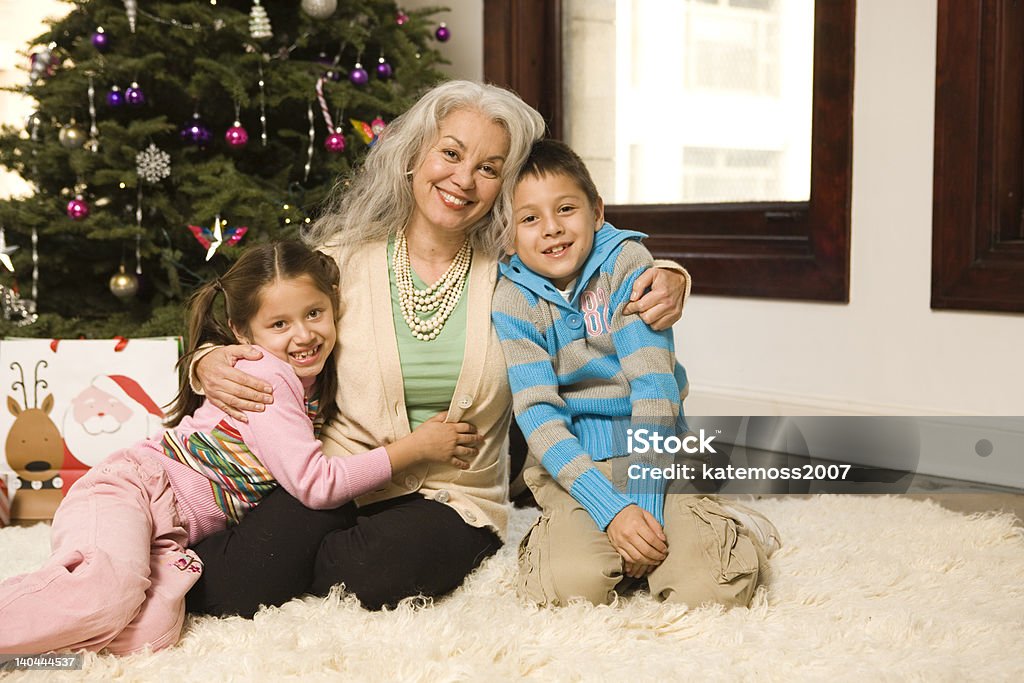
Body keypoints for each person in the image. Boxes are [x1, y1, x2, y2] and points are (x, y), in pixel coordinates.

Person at [185, 80, 691, 615]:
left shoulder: (519, 272)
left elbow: (591, 246)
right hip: (343, 475)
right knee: (231, 589)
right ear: (413, 156)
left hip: (454, 495)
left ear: (503, 186)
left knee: (369, 575)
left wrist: (670, 274)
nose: (463, 179)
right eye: (450, 153)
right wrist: (206, 360)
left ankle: (299, 570)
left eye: (489, 168)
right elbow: (264, 315)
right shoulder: (340, 261)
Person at [0, 241, 478, 655]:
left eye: (314, 313)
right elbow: (315, 485)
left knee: (153, 629)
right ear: (243, 334)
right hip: (134, 490)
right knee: (107, 592)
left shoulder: (308, 380)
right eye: (280, 324)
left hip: (172, 536)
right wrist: (415, 448)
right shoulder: (267, 377)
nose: (304, 334)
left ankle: (34, 656)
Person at [492, 139, 781, 608]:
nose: (551, 229)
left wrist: (643, 503)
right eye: (529, 219)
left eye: (566, 208)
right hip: (575, 470)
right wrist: (612, 512)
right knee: (566, 590)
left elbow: (654, 386)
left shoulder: (627, 265)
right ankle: (596, 542)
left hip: (655, 453)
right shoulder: (512, 300)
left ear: (597, 211)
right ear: (509, 236)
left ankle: (731, 526)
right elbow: (537, 412)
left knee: (709, 592)